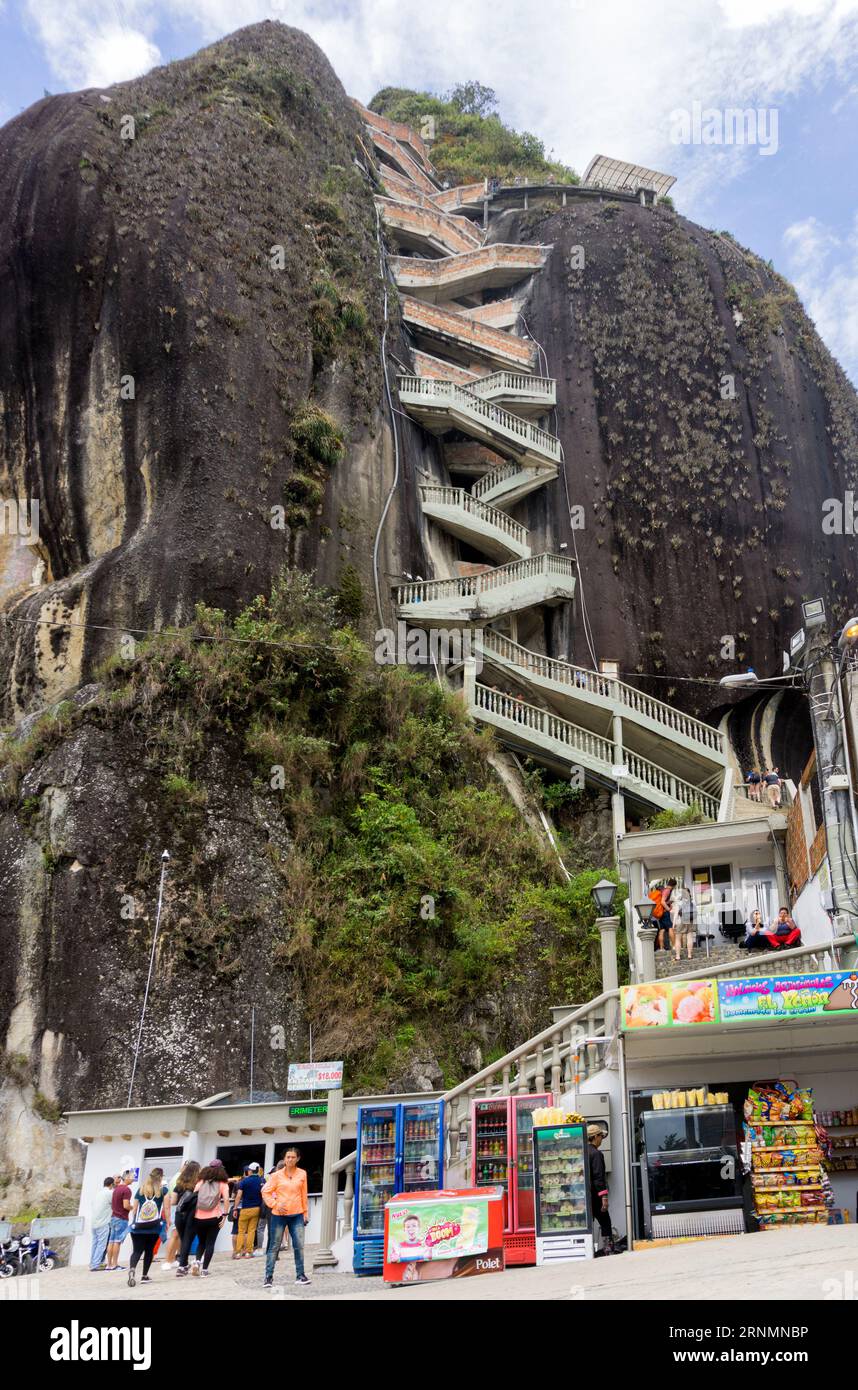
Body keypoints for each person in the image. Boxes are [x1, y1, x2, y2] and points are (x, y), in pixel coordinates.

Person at [262, 1147, 311, 1288]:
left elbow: (304, 1195)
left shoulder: (302, 1174)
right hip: (279, 1215)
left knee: (299, 1245)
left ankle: (300, 1275)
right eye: (288, 1157)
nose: (290, 1159)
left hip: (297, 1214)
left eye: (293, 1157)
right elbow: (265, 1192)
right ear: (284, 1159)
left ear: (298, 1159)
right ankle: (268, 1277)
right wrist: (275, 1204)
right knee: (274, 1246)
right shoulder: (276, 1176)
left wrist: (305, 1213)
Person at [177, 1161, 229, 1277]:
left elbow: (193, 1196)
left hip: (199, 1217)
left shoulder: (201, 1181)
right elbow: (226, 1200)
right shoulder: (223, 1184)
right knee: (210, 1243)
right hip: (214, 1217)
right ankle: (204, 1270)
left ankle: (197, 1262)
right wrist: (225, 1216)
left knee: (201, 1242)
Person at [127, 1169, 170, 1287]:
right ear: (160, 1177)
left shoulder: (140, 1190)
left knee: (136, 1251)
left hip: (138, 1227)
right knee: (149, 1251)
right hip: (153, 1227)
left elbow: (135, 1209)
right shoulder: (163, 1191)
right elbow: (166, 1208)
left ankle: (132, 1269)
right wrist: (167, 1222)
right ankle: (144, 1276)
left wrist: (136, 1222)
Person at [169, 1160, 201, 1274]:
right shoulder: (198, 1184)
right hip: (192, 1215)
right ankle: (182, 1266)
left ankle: (184, 1264)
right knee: (188, 1240)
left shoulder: (179, 1184)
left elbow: (173, 1201)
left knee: (183, 1239)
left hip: (179, 1214)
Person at [587, 1125, 614, 1255]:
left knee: (588, 1224)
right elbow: (599, 1177)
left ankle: (588, 1250)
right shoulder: (596, 1154)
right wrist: (604, 1197)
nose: (602, 1139)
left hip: (584, 1196)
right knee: (605, 1221)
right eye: (601, 1136)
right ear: (595, 1137)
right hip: (595, 1195)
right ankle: (608, 1248)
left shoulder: (582, 1151)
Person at [234, 1162, 265, 1260]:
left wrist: (235, 1208)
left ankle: (238, 1252)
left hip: (245, 1208)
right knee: (252, 1230)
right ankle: (248, 1252)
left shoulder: (244, 1181)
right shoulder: (262, 1180)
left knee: (241, 1231)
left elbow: (238, 1195)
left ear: (250, 1171)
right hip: (257, 1209)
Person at [105, 1168, 134, 1271]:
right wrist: (133, 1207)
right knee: (117, 1241)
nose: (133, 1179)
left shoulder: (116, 1189)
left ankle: (109, 1264)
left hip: (113, 1217)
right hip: (121, 1218)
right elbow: (126, 1205)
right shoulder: (126, 1190)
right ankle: (115, 1264)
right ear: (126, 1178)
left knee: (111, 1241)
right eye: (132, 1177)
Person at [89, 1177, 114, 1271]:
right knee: (102, 1245)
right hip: (103, 1222)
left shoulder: (98, 1193)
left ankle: (93, 1263)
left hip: (94, 1223)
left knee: (95, 1243)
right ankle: (96, 1264)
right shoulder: (109, 1193)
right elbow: (115, 1204)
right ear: (111, 1184)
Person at [672, 885, 694, 962]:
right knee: (689, 937)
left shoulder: (679, 902)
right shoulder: (691, 902)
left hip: (680, 921)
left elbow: (676, 914)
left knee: (677, 939)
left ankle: (678, 956)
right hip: (690, 921)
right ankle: (689, 955)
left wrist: (673, 923)